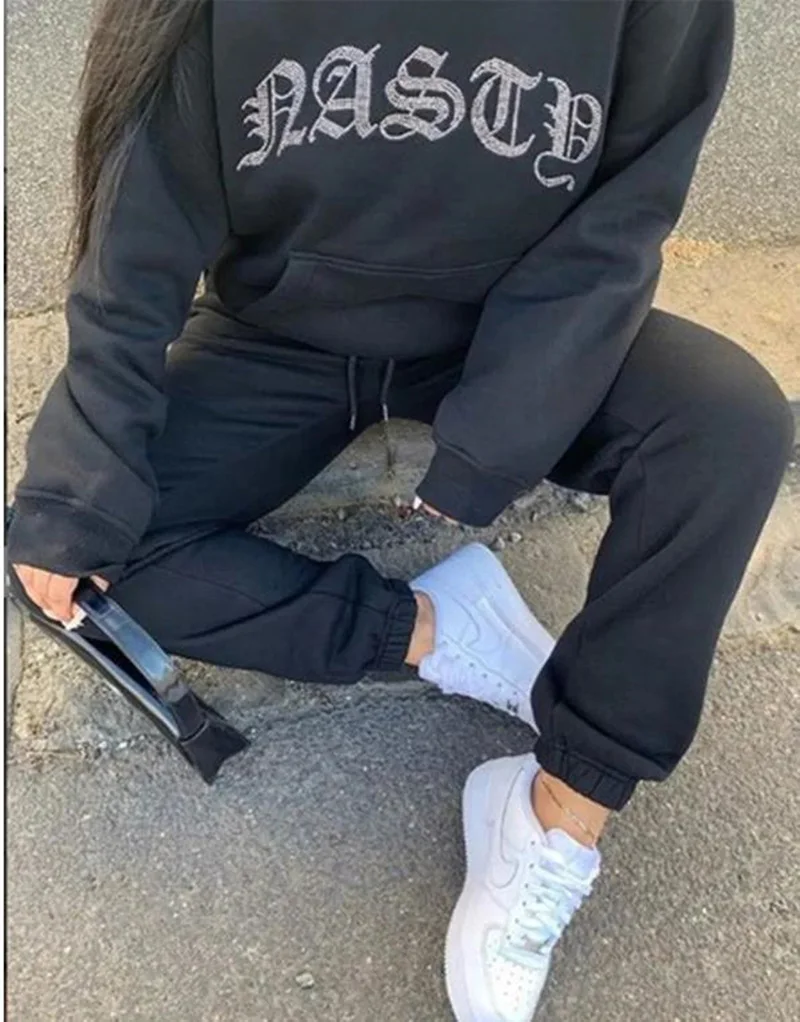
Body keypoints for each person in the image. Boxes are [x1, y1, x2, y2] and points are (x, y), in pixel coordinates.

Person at [9, 1, 794, 1019]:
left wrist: (496, 435)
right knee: (76, 554)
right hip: (277, 336)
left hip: (511, 327)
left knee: (727, 426)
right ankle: (436, 627)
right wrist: (77, 489)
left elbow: (626, 210)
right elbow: (132, 244)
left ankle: (558, 812)